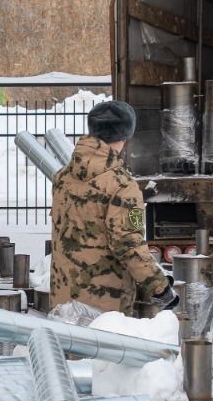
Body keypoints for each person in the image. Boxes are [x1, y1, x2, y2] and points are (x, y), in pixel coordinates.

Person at [50, 100, 172, 315]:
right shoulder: (122, 185)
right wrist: (160, 288)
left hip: (63, 297)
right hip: (105, 303)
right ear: (125, 135)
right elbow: (128, 245)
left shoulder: (62, 177)